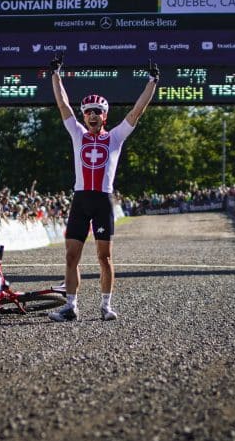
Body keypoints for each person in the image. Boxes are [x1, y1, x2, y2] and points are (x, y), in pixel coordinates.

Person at [47, 56, 158, 322]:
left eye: (98, 111)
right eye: (88, 111)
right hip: (81, 199)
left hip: (102, 201)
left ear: (105, 116)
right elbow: (62, 104)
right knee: (71, 255)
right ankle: (70, 306)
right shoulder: (77, 133)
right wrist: (55, 75)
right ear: (84, 115)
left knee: (104, 257)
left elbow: (137, 111)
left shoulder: (116, 136)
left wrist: (152, 81)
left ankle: (106, 306)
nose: (93, 115)